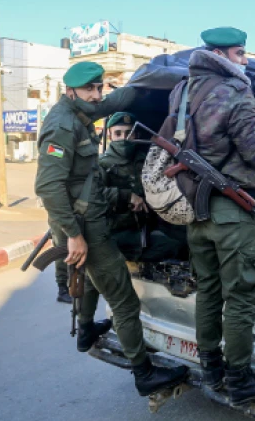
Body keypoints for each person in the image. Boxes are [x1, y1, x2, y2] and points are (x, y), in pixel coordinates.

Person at [34, 61, 188, 397]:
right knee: (124, 302)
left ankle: (87, 331)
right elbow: (47, 187)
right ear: (69, 91)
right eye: (89, 89)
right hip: (86, 227)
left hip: (92, 219)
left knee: (94, 280)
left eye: (99, 87)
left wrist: (146, 84)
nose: (96, 95)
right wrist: (74, 235)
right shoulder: (62, 126)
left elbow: (113, 103)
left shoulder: (80, 111)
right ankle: (143, 373)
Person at [186, 27, 255, 405]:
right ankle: (239, 378)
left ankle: (210, 367)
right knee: (240, 296)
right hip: (233, 213)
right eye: (239, 53)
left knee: (208, 291)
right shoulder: (234, 92)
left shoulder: (182, 90)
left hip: (196, 210)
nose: (245, 60)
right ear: (219, 54)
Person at [77, 111, 189, 319]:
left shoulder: (144, 160)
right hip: (118, 231)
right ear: (110, 135)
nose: (123, 138)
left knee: (186, 239)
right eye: (118, 133)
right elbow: (91, 195)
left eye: (128, 133)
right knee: (169, 245)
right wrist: (125, 196)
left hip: (147, 225)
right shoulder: (102, 165)